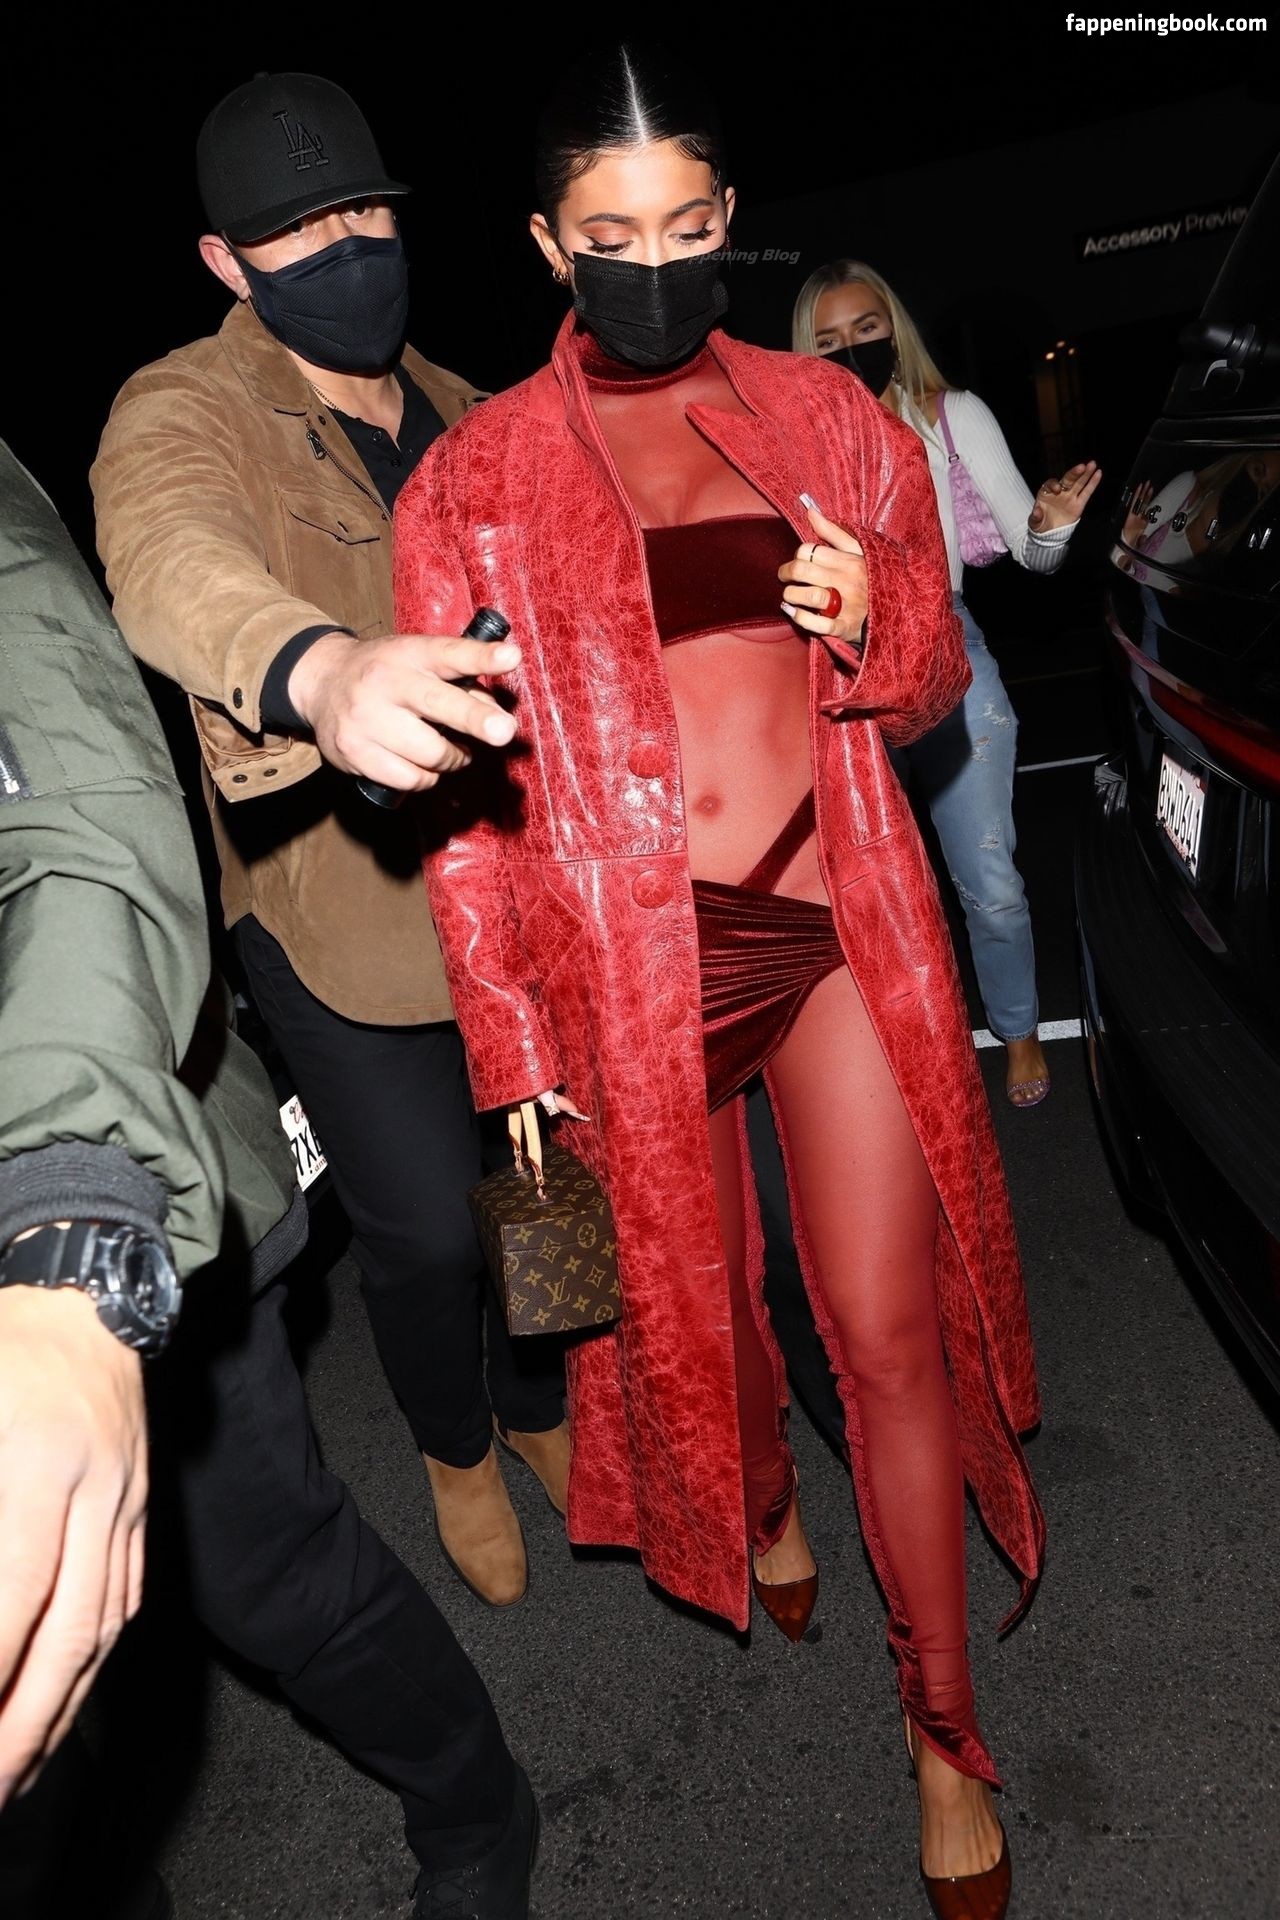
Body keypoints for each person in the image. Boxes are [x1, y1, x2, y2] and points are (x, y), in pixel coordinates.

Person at [394, 43, 1045, 1917]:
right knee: (708, 1314)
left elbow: (928, 679)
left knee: (888, 1332)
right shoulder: (475, 479)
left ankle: (944, 1729)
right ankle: (758, 1496)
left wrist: (883, 622)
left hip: (830, 918)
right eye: (610, 237)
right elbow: (459, 803)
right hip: (627, 965)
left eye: (688, 226)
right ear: (547, 244)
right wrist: (509, 1038)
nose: (654, 263)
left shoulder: (829, 416)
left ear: (732, 220)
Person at [0, 439, 537, 1919]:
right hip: (310, 955)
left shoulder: (437, 413)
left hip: (87, 1172)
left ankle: (476, 1799)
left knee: (268, 1573)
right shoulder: (199, 401)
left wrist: (67, 1222)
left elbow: (76, 817)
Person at [92, 71, 569, 1609]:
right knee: (427, 1234)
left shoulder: (471, 408)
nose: (347, 247)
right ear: (226, 263)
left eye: (364, 209)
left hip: (516, 891)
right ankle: (455, 1443)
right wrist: (321, 670)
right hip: (336, 912)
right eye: (298, 230)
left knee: (542, 1183)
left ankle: (540, 1401)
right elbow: (167, 554)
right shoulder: (185, 407)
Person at [793, 260, 1102, 1108]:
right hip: (835, 665)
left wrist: (1052, 527)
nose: (851, 351)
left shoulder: (950, 416)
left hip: (944, 647)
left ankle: (1018, 1028)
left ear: (894, 328)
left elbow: (1034, 556)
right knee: (868, 892)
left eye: (866, 330)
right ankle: (904, 1055)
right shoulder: (791, 438)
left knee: (988, 878)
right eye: (827, 341)